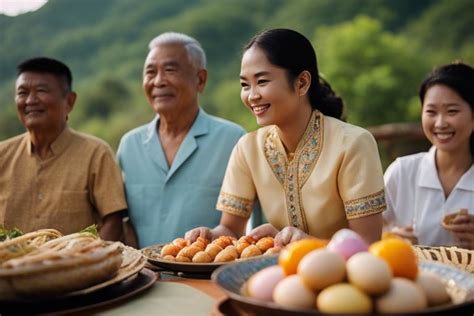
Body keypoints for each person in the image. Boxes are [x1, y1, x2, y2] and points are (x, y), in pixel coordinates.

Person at [186, 28, 386, 246]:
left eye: (262, 81)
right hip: (279, 271)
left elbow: (367, 244)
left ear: (301, 83)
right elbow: (230, 229)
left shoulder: (353, 143)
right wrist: (209, 236)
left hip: (345, 276)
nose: (252, 95)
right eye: (245, 84)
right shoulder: (247, 147)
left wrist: (306, 244)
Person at [117, 32, 246, 247]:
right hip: (144, 276)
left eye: (170, 70)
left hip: (208, 275)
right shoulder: (129, 145)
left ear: (200, 79)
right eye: (150, 72)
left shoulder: (234, 140)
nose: (158, 81)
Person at [0, 57, 127, 240]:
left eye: (41, 91)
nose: (30, 100)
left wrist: (89, 262)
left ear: (69, 101)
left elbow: (114, 221)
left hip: (76, 266)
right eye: (22, 93)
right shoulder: (3, 156)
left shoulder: (96, 153)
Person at [383, 62, 474, 249]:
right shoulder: (402, 172)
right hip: (410, 276)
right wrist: (390, 239)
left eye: (452, 111)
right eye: (431, 112)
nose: (440, 123)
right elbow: (366, 234)